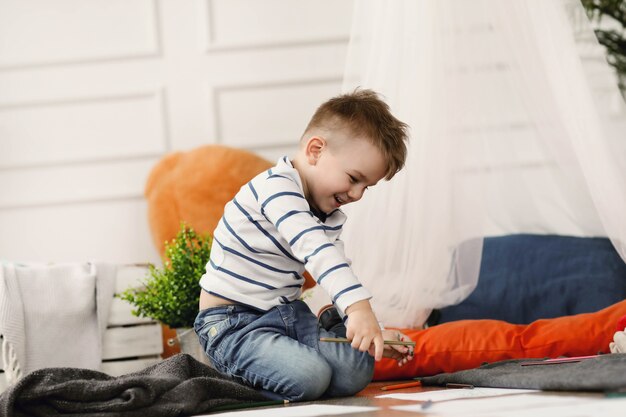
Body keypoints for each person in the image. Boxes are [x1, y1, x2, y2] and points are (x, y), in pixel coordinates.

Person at [194, 89, 412, 401]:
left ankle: (337, 329)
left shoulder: (327, 212)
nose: (357, 194)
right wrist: (358, 307)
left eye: (367, 187)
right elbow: (316, 250)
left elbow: (335, 266)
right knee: (311, 377)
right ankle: (234, 372)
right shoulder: (276, 189)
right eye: (353, 178)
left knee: (356, 371)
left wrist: (366, 329)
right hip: (234, 323)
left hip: (288, 316)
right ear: (315, 150)